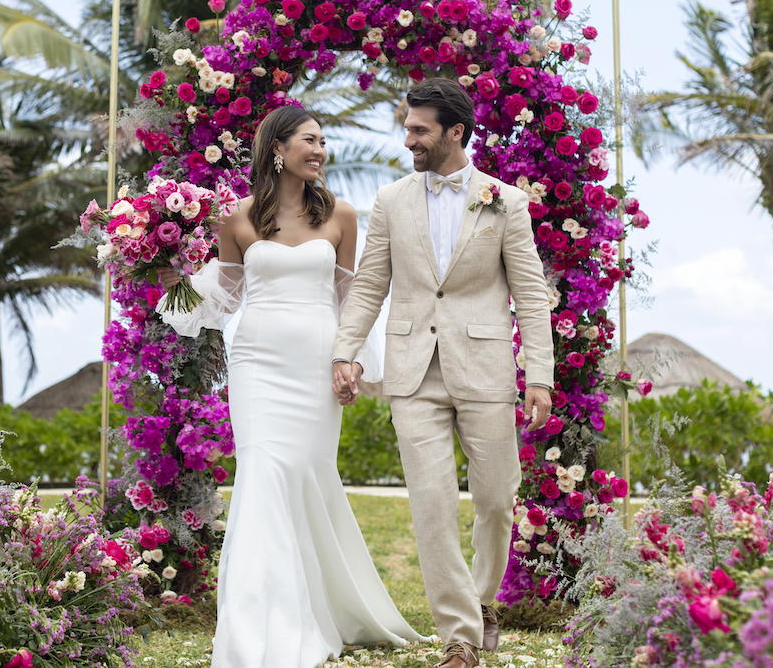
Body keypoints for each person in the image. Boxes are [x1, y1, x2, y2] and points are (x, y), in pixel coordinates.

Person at [158, 105, 424, 668]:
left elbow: (353, 300)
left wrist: (348, 360)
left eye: (323, 141)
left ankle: (323, 601)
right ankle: (261, 621)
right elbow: (222, 294)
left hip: (316, 363)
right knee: (262, 474)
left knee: (307, 475)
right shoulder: (238, 218)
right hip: (256, 362)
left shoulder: (343, 216)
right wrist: (162, 270)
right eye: (310, 139)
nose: (320, 150)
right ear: (278, 147)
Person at [332, 77, 555, 668]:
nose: (408, 139)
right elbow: (369, 285)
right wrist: (346, 350)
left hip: (484, 369)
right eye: (407, 127)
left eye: (419, 129)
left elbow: (531, 296)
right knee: (431, 505)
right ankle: (459, 637)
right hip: (412, 372)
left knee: (495, 502)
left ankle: (481, 605)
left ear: (456, 131)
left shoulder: (506, 202)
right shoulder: (390, 200)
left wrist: (540, 376)